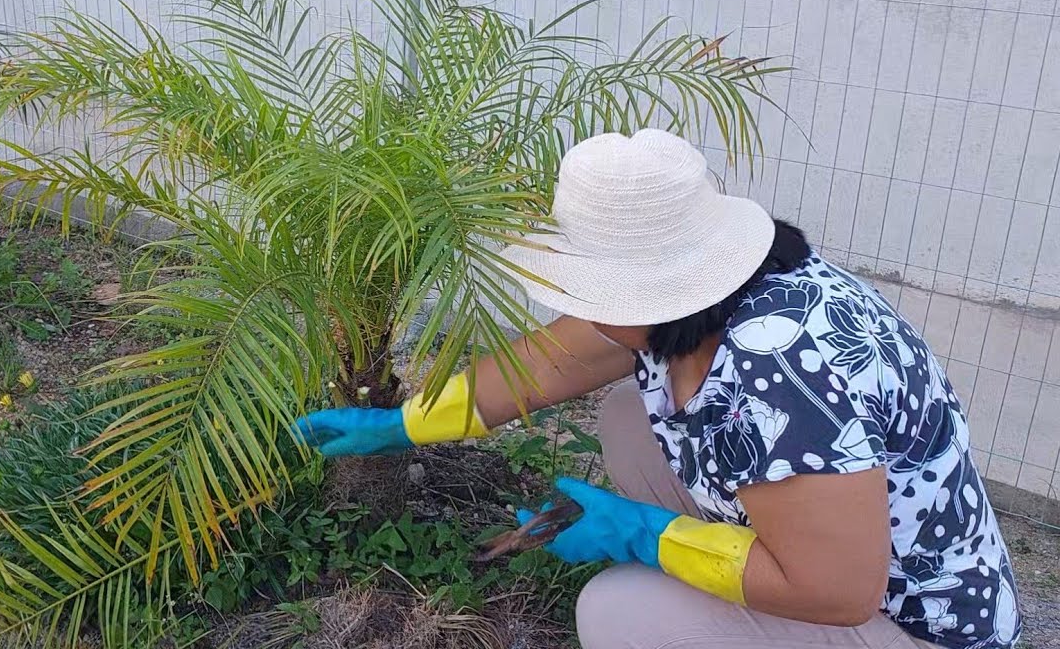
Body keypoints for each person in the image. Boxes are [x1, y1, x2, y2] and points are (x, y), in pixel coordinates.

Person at [295, 129, 1021, 649]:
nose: (582, 307)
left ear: (653, 291)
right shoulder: (721, 298)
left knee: (621, 612)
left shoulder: (781, 377)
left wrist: (645, 536)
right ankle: (735, 564)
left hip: (911, 618)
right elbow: (555, 364)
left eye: (595, 287)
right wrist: (402, 426)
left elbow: (840, 591)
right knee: (628, 415)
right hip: (846, 539)